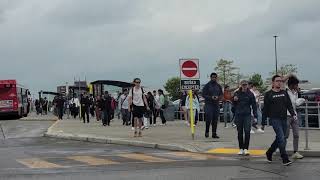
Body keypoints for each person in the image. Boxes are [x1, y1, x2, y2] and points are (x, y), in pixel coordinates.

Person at [264, 75, 297, 166]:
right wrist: (263, 122)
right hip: (274, 119)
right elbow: (265, 108)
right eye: (277, 81)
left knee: (279, 138)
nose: (279, 82)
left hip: (284, 118)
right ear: (273, 82)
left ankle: (269, 152)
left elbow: (289, 105)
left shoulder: (284, 93)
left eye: (281, 81)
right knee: (282, 138)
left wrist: (293, 114)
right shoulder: (268, 94)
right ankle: (285, 158)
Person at [233, 80, 258, 156]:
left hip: (247, 115)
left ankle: (246, 149)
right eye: (243, 85)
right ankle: (241, 148)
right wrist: (234, 100)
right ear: (241, 85)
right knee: (239, 132)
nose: (244, 86)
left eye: (245, 85)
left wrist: (255, 116)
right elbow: (233, 103)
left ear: (247, 85)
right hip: (239, 115)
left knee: (247, 131)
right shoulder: (237, 93)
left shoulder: (250, 94)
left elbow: (254, 105)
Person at [285, 76, 305, 159]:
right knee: (285, 135)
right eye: (296, 84)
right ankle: (283, 151)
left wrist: (300, 96)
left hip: (294, 115)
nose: (297, 86)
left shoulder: (296, 92)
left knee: (296, 134)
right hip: (286, 115)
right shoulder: (285, 92)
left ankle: (295, 152)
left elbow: (296, 103)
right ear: (292, 85)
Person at [202, 72, 223, 139]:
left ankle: (214, 133)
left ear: (216, 78)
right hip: (209, 104)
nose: (214, 78)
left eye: (215, 77)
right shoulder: (207, 85)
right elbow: (203, 94)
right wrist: (211, 97)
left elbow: (221, 94)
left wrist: (218, 98)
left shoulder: (218, 86)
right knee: (209, 118)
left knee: (215, 119)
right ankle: (207, 131)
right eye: (212, 77)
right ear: (210, 77)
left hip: (216, 104)